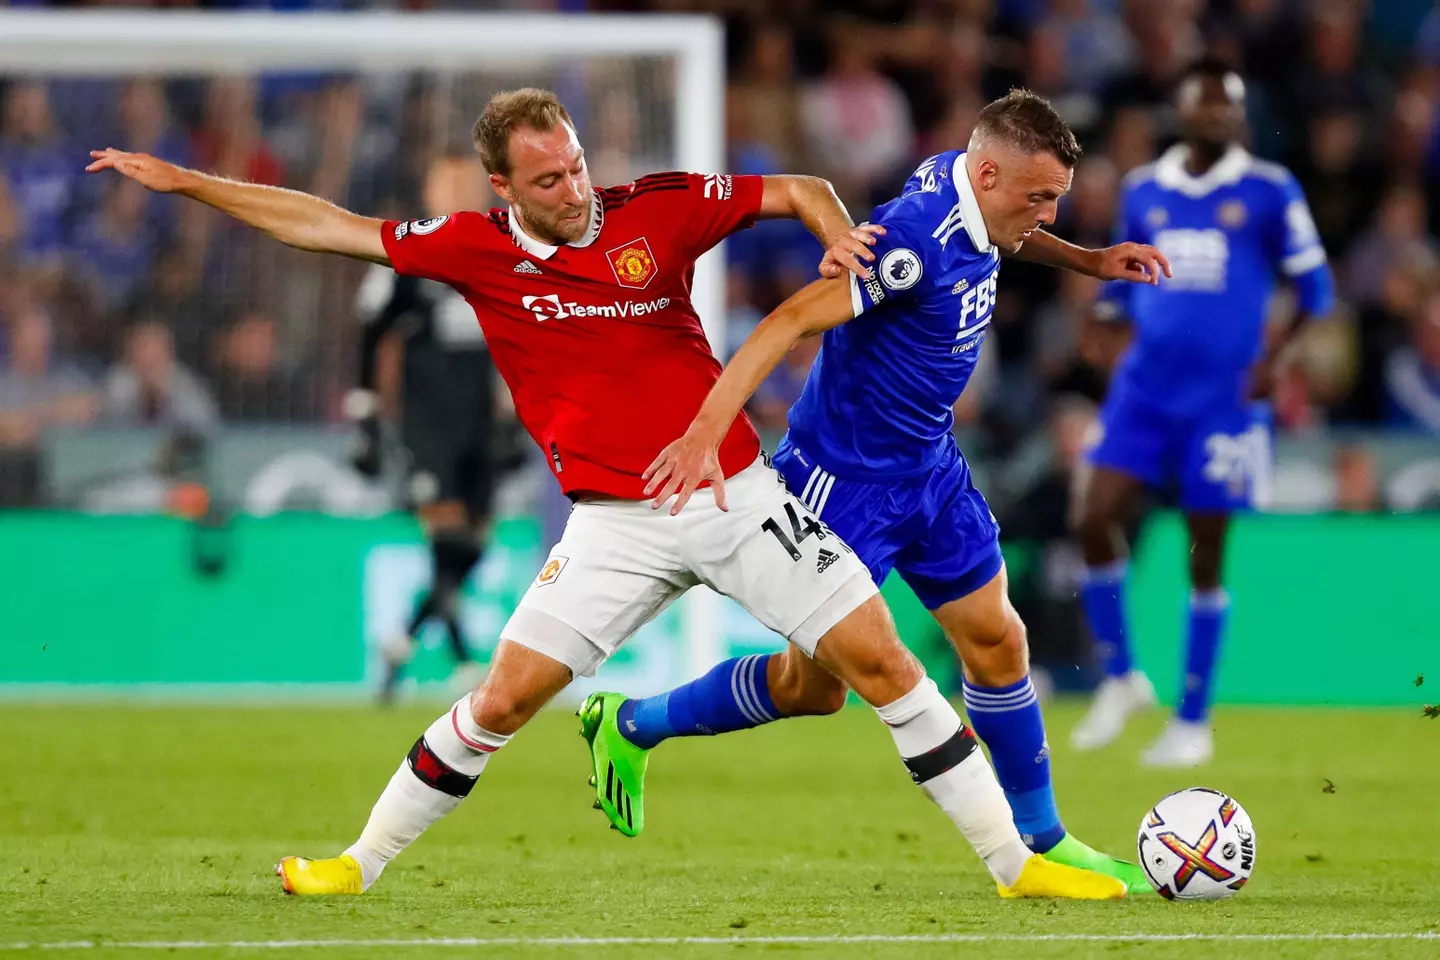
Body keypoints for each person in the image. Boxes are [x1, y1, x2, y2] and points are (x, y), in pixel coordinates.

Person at [88, 87, 1125, 901]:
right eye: (548, 179)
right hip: (614, 524)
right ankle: (356, 863)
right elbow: (322, 224)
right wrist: (185, 182)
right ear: (503, 188)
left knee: (885, 666)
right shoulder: (472, 250)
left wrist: (837, 237)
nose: (576, 188)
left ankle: (1015, 863)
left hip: (736, 496)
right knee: (501, 700)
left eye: (577, 163)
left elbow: (799, 186)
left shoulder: (655, 210)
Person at [620, 89, 1169, 895]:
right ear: (989, 175)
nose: (1047, 214)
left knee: (998, 640)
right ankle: (634, 721)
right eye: (1039, 198)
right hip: (841, 484)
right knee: (814, 691)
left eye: (1055, 197)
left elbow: (1009, 230)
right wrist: (706, 432)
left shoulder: (963, 181)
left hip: (929, 468)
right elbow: (785, 323)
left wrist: (1087, 261)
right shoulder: (911, 243)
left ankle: (1044, 840)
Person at [1069, 61, 1335, 767]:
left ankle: (1192, 718)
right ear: (1181, 112)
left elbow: (1315, 287)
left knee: (1205, 552)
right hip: (1144, 389)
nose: (1219, 117)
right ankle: (1122, 678)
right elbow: (1126, 280)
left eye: (1230, 107)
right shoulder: (1144, 188)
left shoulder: (1270, 190)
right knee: (1092, 517)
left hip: (1223, 399)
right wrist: (1103, 318)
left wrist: (1277, 360)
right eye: (1207, 106)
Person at [348, 151, 516, 702]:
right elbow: (371, 333)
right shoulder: (405, 254)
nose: (459, 192)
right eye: (448, 183)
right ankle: (466, 665)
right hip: (428, 427)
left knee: (472, 548)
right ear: (429, 191)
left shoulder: (501, 252)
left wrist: (517, 417)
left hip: (481, 426)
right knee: (448, 540)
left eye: (467, 182)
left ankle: (401, 642)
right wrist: (365, 416)